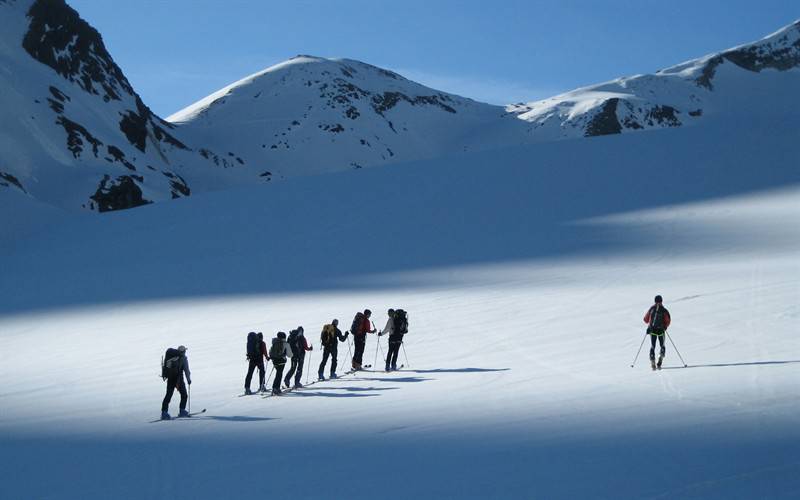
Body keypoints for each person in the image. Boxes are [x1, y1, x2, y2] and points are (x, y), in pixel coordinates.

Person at [161, 345, 191, 420]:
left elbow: (167, 367)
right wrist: (188, 380)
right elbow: (186, 370)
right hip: (179, 379)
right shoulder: (183, 358)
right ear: (184, 351)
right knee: (184, 395)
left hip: (171, 378)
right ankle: (182, 411)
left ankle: (164, 413)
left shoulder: (172, 357)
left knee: (168, 395)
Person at [643, 295, 671, 370]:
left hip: (652, 331)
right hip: (661, 331)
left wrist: (650, 325)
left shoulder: (652, 308)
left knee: (653, 346)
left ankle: (652, 360)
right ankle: (661, 356)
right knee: (662, 345)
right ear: (661, 301)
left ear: (655, 301)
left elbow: (645, 319)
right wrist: (665, 326)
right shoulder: (664, 310)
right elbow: (668, 320)